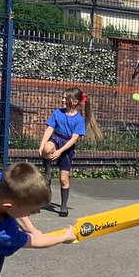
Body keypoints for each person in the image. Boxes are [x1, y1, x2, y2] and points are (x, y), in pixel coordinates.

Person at [39, 87, 102, 218]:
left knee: (63, 179)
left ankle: (63, 206)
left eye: (65, 98)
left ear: (74, 101)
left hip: (67, 146)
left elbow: (74, 139)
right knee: (47, 148)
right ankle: (48, 168)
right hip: (56, 138)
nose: (62, 99)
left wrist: (60, 151)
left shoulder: (79, 119)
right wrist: (42, 145)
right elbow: (50, 129)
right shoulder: (57, 113)